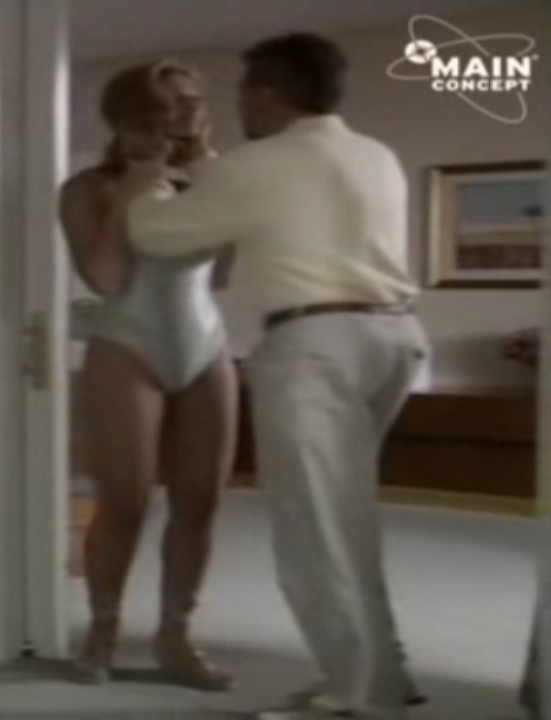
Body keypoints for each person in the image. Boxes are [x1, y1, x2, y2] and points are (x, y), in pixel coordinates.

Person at [115, 32, 431, 719]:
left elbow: (157, 234)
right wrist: (204, 165)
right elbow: (263, 197)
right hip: (392, 339)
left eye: (242, 92)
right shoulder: (372, 154)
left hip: (316, 347)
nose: (237, 105)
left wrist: (145, 182)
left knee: (314, 529)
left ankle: (356, 697)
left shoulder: (261, 163)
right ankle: (380, 674)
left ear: (267, 93)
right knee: (345, 516)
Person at [57, 59, 237, 691]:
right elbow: (105, 278)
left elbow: (222, 275)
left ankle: (176, 639)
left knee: (201, 502)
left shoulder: (210, 180)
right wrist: (135, 190)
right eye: (174, 101)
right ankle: (102, 633)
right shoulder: (87, 188)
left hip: (205, 345)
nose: (191, 110)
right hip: (126, 346)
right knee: (125, 501)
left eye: (195, 100)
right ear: (132, 115)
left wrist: (211, 178)